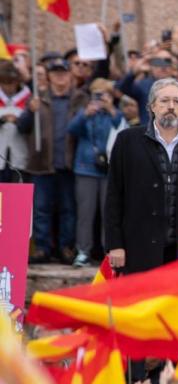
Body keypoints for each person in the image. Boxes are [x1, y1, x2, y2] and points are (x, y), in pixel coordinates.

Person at [105, 78, 178, 274]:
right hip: (138, 247)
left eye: (177, 102)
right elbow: (114, 196)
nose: (171, 106)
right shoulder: (128, 141)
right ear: (152, 106)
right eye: (164, 101)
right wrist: (115, 244)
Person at [19, 58, 88, 264]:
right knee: (41, 209)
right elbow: (22, 128)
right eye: (55, 72)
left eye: (64, 72)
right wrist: (30, 112)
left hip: (70, 163)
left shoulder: (80, 99)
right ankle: (42, 247)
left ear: (70, 75)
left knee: (69, 209)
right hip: (42, 164)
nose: (60, 76)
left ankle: (66, 247)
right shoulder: (37, 99)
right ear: (48, 76)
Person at [67, 79, 122, 267]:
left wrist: (112, 110)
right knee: (85, 212)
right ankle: (83, 251)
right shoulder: (85, 113)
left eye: (104, 93)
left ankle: (109, 250)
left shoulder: (115, 114)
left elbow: (124, 131)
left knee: (110, 213)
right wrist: (85, 115)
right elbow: (71, 129)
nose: (100, 98)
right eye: (96, 94)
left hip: (110, 170)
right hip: (85, 168)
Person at [0, 60, 30, 183]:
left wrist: (19, 120)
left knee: (17, 199)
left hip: (20, 155)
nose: (8, 87)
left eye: (12, 82)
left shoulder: (28, 97)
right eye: (4, 82)